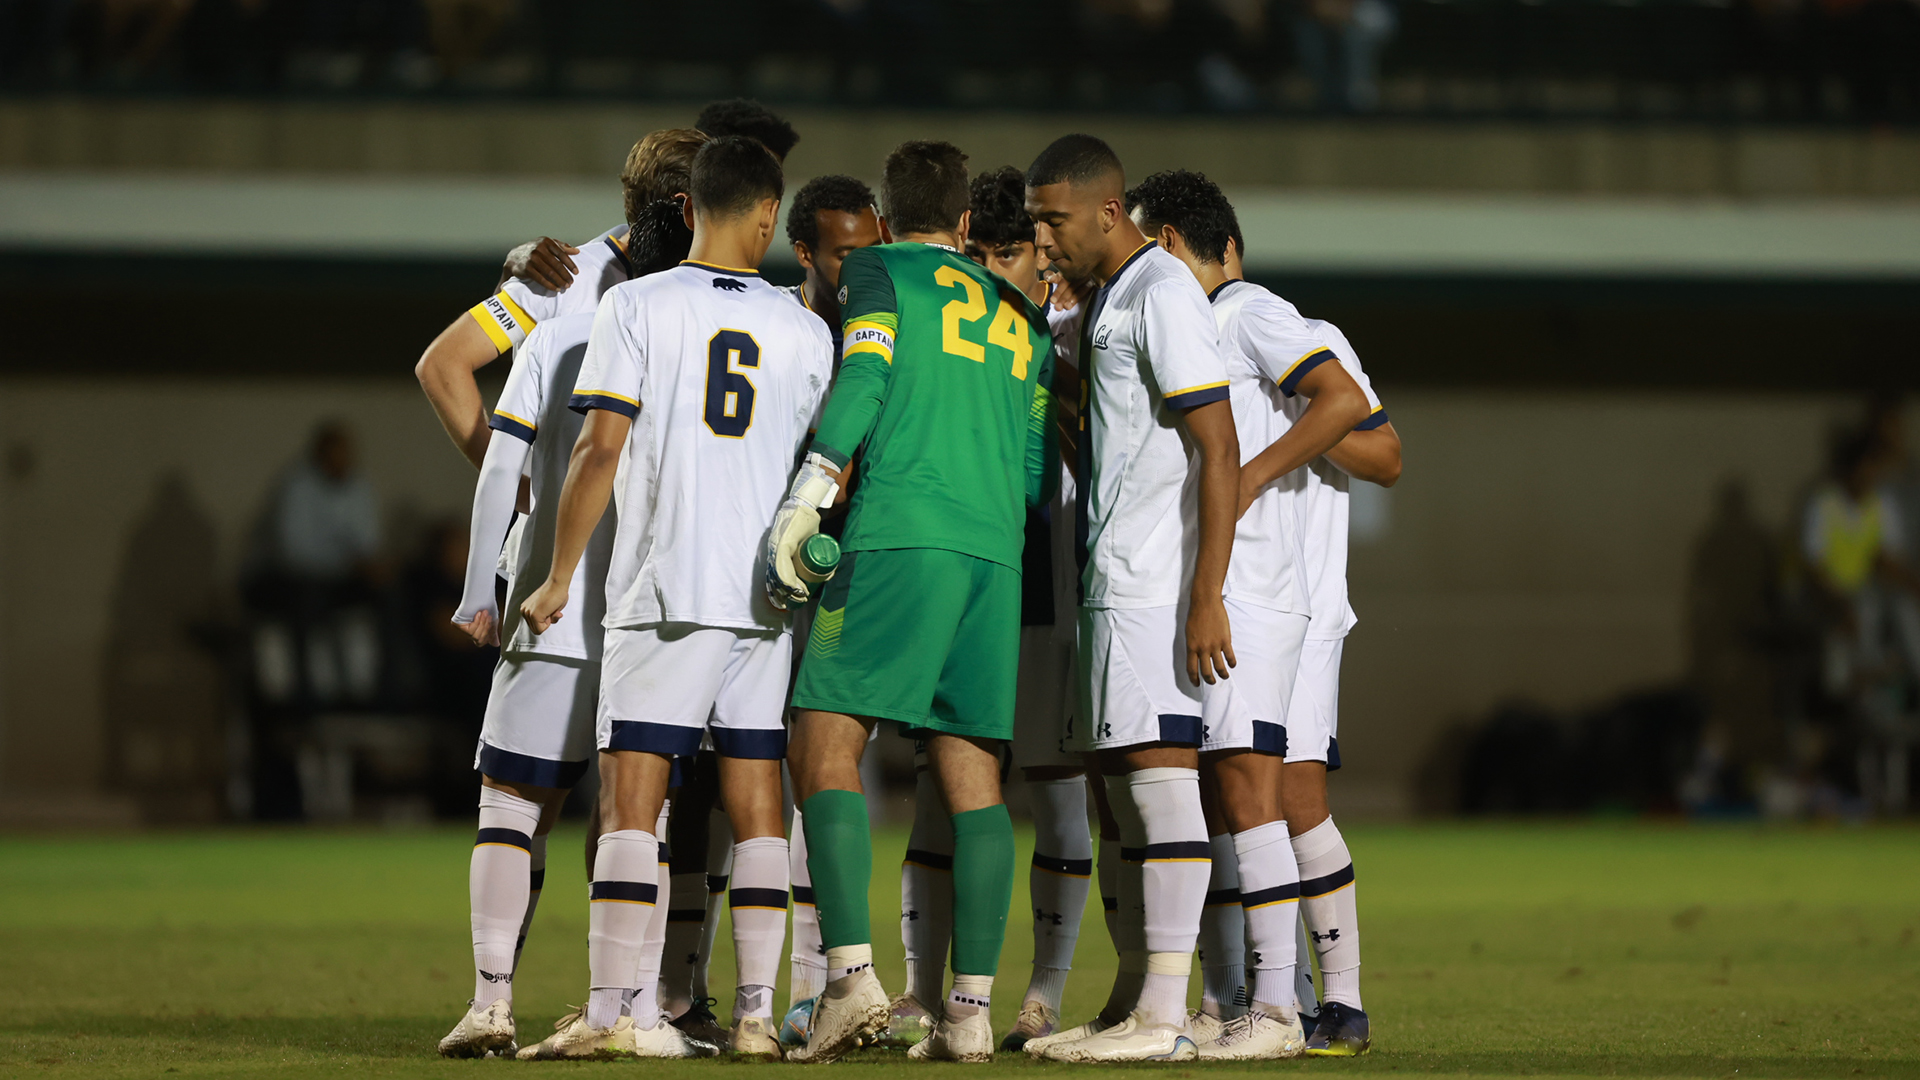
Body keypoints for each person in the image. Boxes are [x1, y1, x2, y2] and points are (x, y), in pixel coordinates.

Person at [515, 135, 834, 1059]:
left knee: (632, 799)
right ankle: (756, 1021)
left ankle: (621, 1013)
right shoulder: (804, 328)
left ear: (688, 209)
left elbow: (599, 448)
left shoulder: (638, 305)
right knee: (757, 808)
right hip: (765, 603)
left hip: (663, 590)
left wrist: (560, 574)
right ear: (770, 218)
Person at [769, 140, 1058, 1064]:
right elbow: (1030, 473)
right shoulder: (1028, 320)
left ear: (887, 222)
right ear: (970, 223)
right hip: (995, 555)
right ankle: (970, 1010)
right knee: (973, 778)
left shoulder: (881, 271)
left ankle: (850, 982)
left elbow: (866, 376)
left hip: (902, 532)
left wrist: (813, 485)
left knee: (821, 742)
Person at [1129, 169, 1375, 1059]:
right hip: (1260, 590)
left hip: (1275, 596)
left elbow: (1378, 443)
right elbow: (1370, 438)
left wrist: (1257, 466)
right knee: (1244, 796)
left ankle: (1297, 999)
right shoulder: (1220, 331)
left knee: (1265, 795)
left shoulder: (1249, 314)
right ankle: (1292, 997)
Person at [1019, 134, 1241, 1064]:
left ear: (1109, 213)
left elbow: (1218, 448)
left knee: (1160, 792)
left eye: (1053, 220)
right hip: (1106, 589)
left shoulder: (1162, 296)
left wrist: (1206, 596)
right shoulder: (1110, 300)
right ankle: (1132, 1001)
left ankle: (1167, 1015)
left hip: (1153, 589)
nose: (1040, 240)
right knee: (1120, 802)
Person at [1220, 204, 1401, 1059]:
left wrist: (1294, 432)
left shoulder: (1299, 334)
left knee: (1291, 798)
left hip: (1301, 602)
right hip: (1240, 601)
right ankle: (1271, 992)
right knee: (1239, 799)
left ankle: (1342, 1001)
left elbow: (1385, 454)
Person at [435, 310, 612, 1057]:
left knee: (511, 805)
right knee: (645, 817)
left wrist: (480, 589)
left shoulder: (565, 318)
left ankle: (492, 1004)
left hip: (557, 609)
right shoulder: (743, 320)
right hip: (666, 620)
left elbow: (502, 458)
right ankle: (642, 1004)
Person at [415, 127, 710, 468]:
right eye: (715, 203)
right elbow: (442, 363)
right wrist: (508, 482)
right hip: (554, 516)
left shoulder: (695, 288)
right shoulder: (562, 274)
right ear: (684, 207)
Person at [774, 173, 889, 1022]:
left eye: (871, 246)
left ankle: (821, 986)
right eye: (845, 252)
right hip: (762, 574)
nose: (861, 266)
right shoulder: (777, 326)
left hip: (854, 571)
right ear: (805, 253)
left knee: (828, 771)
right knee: (758, 782)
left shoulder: (888, 332)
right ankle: (711, 991)